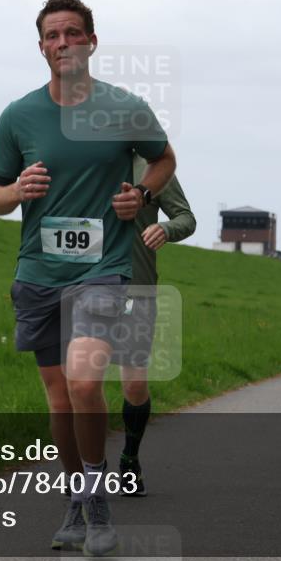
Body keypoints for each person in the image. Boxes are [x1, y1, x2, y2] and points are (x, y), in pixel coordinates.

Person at [0, 0, 176, 556]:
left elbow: (164, 159)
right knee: (60, 399)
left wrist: (141, 193)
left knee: (85, 381)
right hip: (38, 273)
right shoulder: (18, 116)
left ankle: (96, 498)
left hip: (102, 270)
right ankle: (76, 495)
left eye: (72, 33)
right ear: (41, 47)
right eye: (51, 36)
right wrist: (16, 191)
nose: (62, 43)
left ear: (92, 41)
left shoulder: (125, 107)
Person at [118, 154, 196, 497]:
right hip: (83, 288)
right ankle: (85, 469)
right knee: (80, 383)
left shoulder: (150, 168)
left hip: (136, 288)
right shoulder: (78, 160)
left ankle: (129, 457)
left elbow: (186, 217)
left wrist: (165, 228)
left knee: (134, 385)